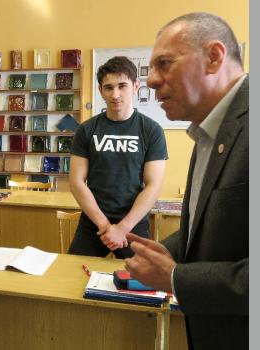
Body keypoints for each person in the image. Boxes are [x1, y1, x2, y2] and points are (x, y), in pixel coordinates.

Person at [124, 12, 248, 350]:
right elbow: (215, 224)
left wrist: (176, 277)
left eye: (165, 64)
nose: (150, 81)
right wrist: (165, 250)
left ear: (214, 57)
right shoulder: (209, 130)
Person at [68, 56, 168, 258]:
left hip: (133, 224)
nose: (115, 94)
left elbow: (153, 185)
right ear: (100, 90)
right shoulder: (86, 130)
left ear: (135, 86)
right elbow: (76, 181)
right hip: (94, 223)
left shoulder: (151, 130)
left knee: (138, 286)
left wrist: (122, 228)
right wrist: (105, 225)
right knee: (73, 281)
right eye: (108, 87)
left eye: (122, 86)